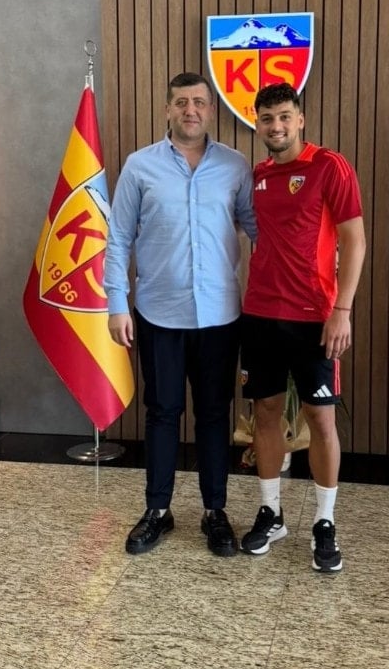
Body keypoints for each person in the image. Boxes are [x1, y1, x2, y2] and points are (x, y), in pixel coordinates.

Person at [104, 72, 256, 558]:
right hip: (158, 314)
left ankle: (215, 512)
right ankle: (157, 511)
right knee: (162, 412)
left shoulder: (235, 166)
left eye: (199, 103)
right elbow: (118, 239)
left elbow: (259, 230)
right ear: (168, 109)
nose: (191, 110)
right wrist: (116, 304)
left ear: (211, 110)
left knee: (213, 414)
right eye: (182, 102)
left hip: (219, 316)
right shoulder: (140, 166)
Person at [239, 82, 366, 572]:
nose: (276, 126)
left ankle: (324, 521)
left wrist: (342, 309)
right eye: (267, 118)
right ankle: (271, 513)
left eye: (284, 116)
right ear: (258, 123)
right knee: (266, 414)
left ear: (300, 119)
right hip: (260, 315)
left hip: (315, 318)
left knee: (321, 420)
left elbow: (354, 240)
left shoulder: (329, 166)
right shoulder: (258, 175)